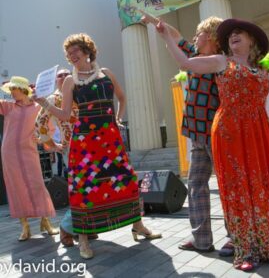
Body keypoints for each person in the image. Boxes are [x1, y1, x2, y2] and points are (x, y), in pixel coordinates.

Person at [155, 18, 269, 271]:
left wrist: (266, 65)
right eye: (230, 34)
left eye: (239, 33)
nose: (234, 36)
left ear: (251, 40)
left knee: (261, 184)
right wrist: (165, 35)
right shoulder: (222, 62)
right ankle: (244, 246)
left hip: (258, 132)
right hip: (228, 132)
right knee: (236, 189)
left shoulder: (260, 65)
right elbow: (185, 62)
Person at [34, 33, 162, 259]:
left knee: (125, 179)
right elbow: (64, 115)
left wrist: (119, 119)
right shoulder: (70, 81)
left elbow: (122, 98)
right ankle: (82, 238)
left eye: (76, 51)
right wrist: (43, 103)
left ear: (87, 51)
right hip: (85, 142)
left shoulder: (106, 73)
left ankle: (137, 225)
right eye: (69, 53)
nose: (72, 56)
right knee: (85, 188)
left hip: (110, 138)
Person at [142, 13, 233, 255]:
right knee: (195, 186)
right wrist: (155, 22)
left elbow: (181, 59)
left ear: (212, 37)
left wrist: (164, 38)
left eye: (200, 32)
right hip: (197, 135)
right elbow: (176, 34)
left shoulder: (217, 60)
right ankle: (202, 239)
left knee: (226, 186)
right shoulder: (196, 54)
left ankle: (235, 237)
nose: (195, 36)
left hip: (215, 134)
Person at [36, 68, 98, 247]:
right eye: (59, 75)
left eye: (65, 74)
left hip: (91, 147)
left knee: (91, 188)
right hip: (72, 149)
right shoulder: (54, 98)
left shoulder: (78, 91)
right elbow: (39, 124)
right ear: (55, 80)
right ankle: (66, 228)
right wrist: (52, 145)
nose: (63, 77)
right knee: (81, 189)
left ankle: (84, 228)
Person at [0, 76, 59, 241]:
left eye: (14, 89)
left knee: (37, 184)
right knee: (16, 187)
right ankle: (24, 226)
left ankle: (45, 221)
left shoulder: (37, 108)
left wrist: (41, 139)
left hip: (28, 151)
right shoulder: (8, 106)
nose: (11, 93)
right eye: (10, 89)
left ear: (23, 90)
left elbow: (49, 127)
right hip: (9, 153)